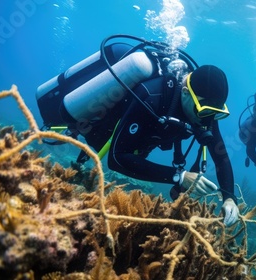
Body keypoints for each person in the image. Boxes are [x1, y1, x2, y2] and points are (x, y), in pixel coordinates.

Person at [36, 35, 239, 226]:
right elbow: (116, 159)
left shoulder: (204, 111)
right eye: (204, 110)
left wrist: (230, 197)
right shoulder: (151, 96)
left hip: (141, 140)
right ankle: (75, 129)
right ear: (186, 92)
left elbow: (220, 155)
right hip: (106, 132)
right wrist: (179, 176)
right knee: (99, 138)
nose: (208, 120)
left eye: (216, 112)